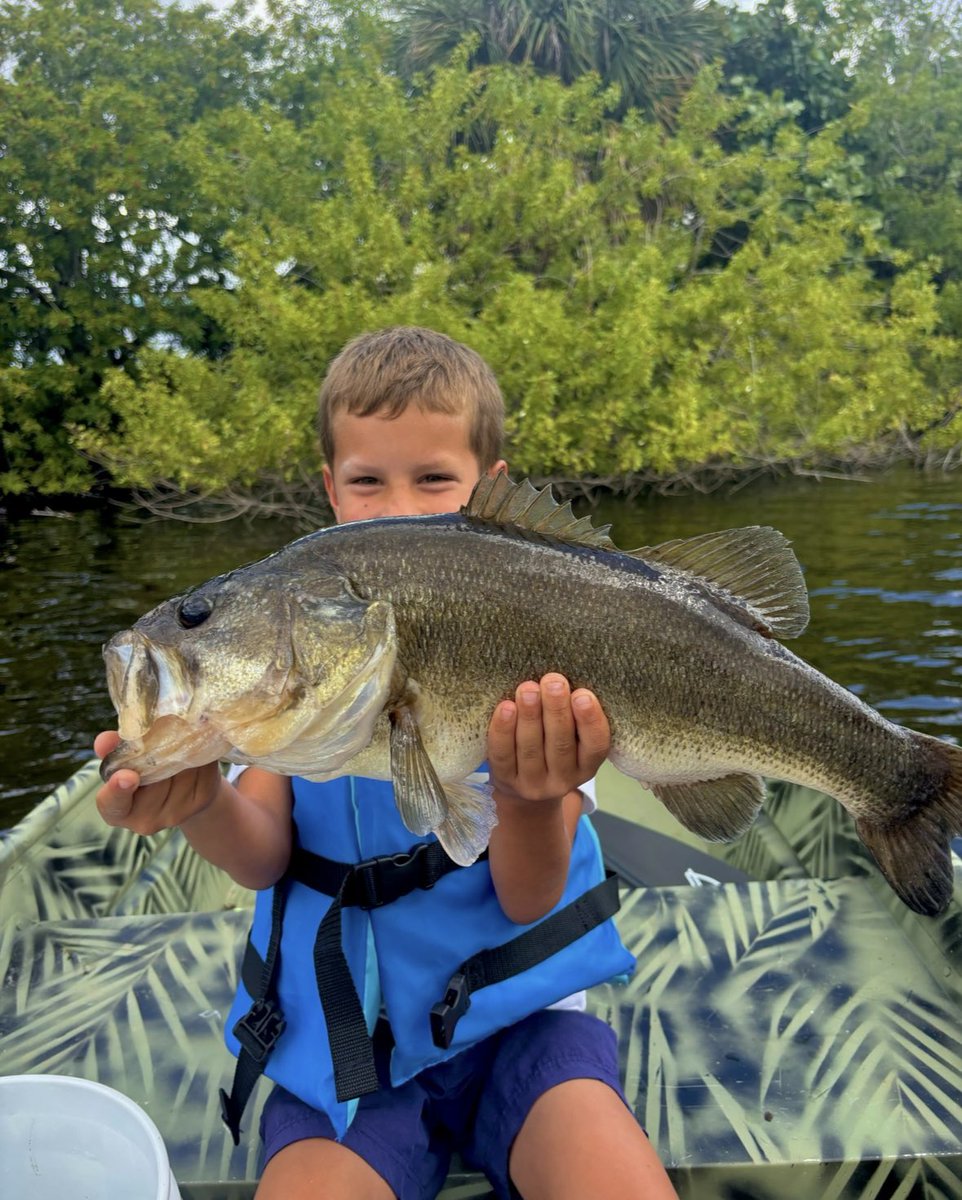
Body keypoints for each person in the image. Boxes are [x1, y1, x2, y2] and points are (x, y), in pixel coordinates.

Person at [95, 326, 677, 1200]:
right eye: (368, 481)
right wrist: (201, 801)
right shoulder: (305, 686)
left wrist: (525, 798)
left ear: (492, 487)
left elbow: (528, 897)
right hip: (342, 1042)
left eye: (434, 477)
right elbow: (265, 856)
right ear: (331, 490)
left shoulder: (542, 633)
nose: (398, 506)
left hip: (522, 1026)